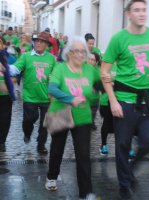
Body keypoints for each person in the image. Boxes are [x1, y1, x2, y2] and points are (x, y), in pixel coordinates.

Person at [101, 0, 149, 199]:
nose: (141, 13)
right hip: (124, 100)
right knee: (123, 145)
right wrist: (113, 101)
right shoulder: (118, 39)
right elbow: (104, 71)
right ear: (128, 14)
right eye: (137, 10)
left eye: (144, 10)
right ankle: (124, 184)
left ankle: (129, 170)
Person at [45, 36, 99, 200]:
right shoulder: (61, 68)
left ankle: (86, 193)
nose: (81, 55)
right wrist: (70, 99)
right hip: (61, 113)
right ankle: (52, 176)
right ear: (69, 53)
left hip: (82, 116)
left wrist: (107, 88)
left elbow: (100, 86)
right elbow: (52, 88)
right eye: (77, 51)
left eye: (84, 51)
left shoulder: (90, 69)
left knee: (83, 155)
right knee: (57, 149)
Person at [9, 31, 56, 154]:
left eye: (42, 41)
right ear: (34, 42)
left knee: (45, 125)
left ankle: (41, 145)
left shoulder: (51, 58)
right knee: (29, 119)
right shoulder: (26, 56)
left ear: (46, 44)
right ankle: (27, 132)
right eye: (37, 41)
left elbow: (57, 76)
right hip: (30, 97)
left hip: (47, 97)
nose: (39, 43)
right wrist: (5, 66)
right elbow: (16, 68)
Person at [0, 37, 16, 151]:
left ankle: (2, 141)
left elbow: (18, 71)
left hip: (5, 94)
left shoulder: (9, 58)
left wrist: (13, 79)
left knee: (5, 119)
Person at [87, 52, 101, 130]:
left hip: (95, 98)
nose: (90, 61)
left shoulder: (99, 71)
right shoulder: (82, 69)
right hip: (84, 99)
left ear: (96, 62)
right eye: (89, 59)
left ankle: (92, 122)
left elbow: (101, 85)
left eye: (92, 60)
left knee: (93, 114)